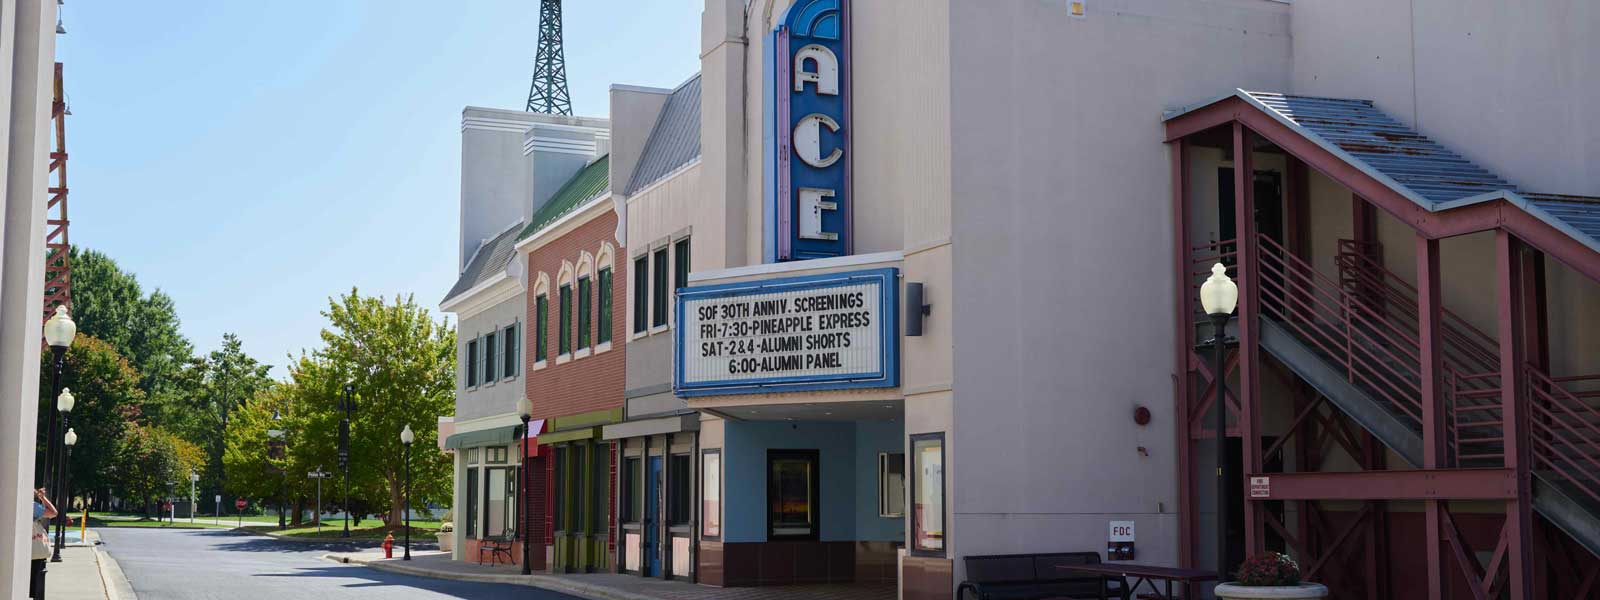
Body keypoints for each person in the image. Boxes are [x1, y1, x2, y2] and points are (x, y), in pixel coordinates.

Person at [29, 487, 57, 599]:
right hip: (34, 553)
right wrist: (42, 497)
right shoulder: (32, 506)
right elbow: (53, 513)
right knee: (34, 585)